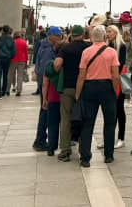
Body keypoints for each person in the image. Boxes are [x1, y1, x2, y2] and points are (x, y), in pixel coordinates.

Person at [76, 25, 120, 167]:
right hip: (106, 87)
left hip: (89, 87)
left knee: (87, 123)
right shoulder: (112, 52)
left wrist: (78, 93)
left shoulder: (86, 52)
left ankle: (85, 157)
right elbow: (115, 75)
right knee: (109, 122)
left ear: (92, 36)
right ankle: (108, 155)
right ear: (104, 36)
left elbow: (81, 75)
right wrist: (115, 91)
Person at [54, 25, 89, 162]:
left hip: (68, 88)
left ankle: (65, 150)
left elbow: (57, 64)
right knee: (85, 118)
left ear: (72, 35)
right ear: (82, 34)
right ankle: (84, 150)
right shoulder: (88, 48)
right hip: (85, 87)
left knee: (66, 118)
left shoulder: (65, 48)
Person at [36, 27, 63, 154]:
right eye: (58, 36)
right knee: (45, 112)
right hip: (46, 85)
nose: (60, 38)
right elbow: (46, 70)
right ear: (51, 36)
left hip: (43, 84)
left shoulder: (44, 46)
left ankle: (40, 139)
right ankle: (40, 140)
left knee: (44, 112)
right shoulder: (48, 50)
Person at [103, 25, 126, 150]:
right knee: (108, 111)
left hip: (117, 80)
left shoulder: (121, 46)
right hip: (107, 79)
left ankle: (121, 138)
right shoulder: (106, 45)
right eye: (107, 31)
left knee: (119, 110)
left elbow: (121, 63)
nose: (107, 33)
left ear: (116, 33)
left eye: (110, 31)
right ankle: (107, 138)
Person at [0, 25, 15, 99]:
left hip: (0, 58)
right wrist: (10, 56)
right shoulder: (11, 39)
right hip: (7, 58)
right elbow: (13, 50)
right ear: (8, 30)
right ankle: (4, 91)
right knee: (6, 75)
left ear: (2, 30)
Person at [9, 30, 28, 96]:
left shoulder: (12, 42)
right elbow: (26, 52)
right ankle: (19, 90)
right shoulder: (24, 42)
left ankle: (8, 89)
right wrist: (26, 61)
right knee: (20, 76)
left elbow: (10, 52)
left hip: (13, 60)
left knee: (11, 75)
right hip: (22, 60)